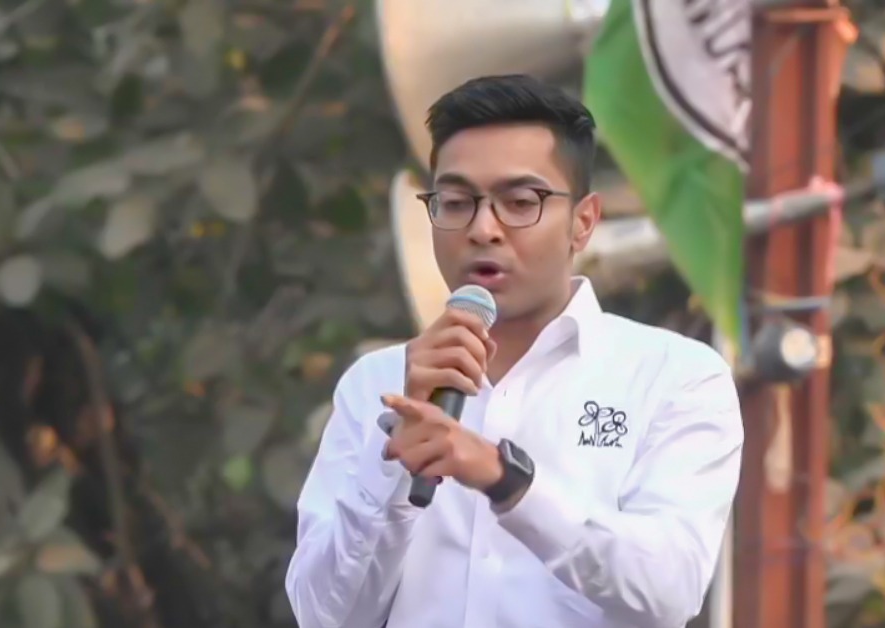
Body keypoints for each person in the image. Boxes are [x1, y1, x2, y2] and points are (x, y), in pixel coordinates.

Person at [285, 74, 743, 628]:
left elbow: (668, 591)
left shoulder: (675, 377)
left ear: (583, 222)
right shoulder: (377, 384)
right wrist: (393, 464)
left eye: (521, 202)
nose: (483, 229)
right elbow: (324, 616)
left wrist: (507, 480)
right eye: (456, 202)